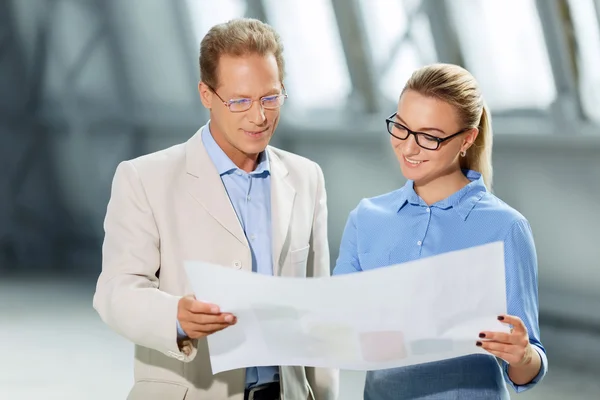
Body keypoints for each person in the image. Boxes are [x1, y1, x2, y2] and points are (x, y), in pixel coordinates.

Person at [93, 18, 339, 400]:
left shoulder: (307, 178)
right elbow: (115, 292)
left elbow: (318, 316)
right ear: (206, 95)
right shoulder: (145, 178)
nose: (259, 117)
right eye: (240, 101)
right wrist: (174, 316)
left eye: (270, 98)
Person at [333, 63, 547, 399]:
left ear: (467, 139)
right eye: (401, 128)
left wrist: (522, 355)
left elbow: (524, 371)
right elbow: (336, 326)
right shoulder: (366, 218)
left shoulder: (506, 228)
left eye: (429, 137)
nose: (408, 147)